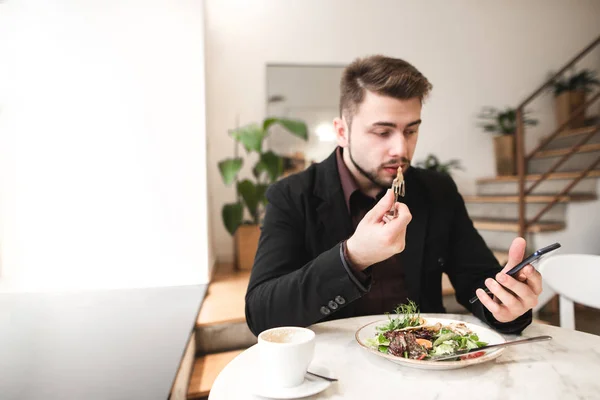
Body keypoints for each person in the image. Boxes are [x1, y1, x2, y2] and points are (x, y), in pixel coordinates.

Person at [245, 55, 541, 337]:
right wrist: (353, 257)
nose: (401, 149)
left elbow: (477, 284)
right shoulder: (291, 195)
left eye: (411, 131)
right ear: (342, 131)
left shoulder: (437, 190)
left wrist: (506, 304)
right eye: (383, 132)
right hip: (334, 369)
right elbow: (262, 313)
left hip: (424, 362)